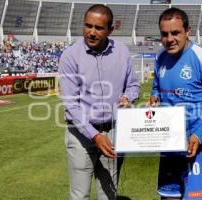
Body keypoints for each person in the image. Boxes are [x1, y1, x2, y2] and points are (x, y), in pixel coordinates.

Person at [147, 7, 202, 200]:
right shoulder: (160, 57)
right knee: (169, 197)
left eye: (175, 33)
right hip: (170, 145)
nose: (169, 39)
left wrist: (197, 136)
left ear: (187, 31)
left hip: (200, 147)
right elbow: (156, 87)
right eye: (164, 34)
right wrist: (155, 98)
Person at [58, 4, 140, 200]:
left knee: (108, 195)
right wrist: (95, 136)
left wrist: (128, 97)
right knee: (80, 196)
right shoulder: (70, 56)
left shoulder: (122, 52)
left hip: (113, 132)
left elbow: (134, 86)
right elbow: (72, 106)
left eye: (99, 28)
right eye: (88, 26)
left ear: (111, 30)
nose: (92, 32)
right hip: (80, 135)